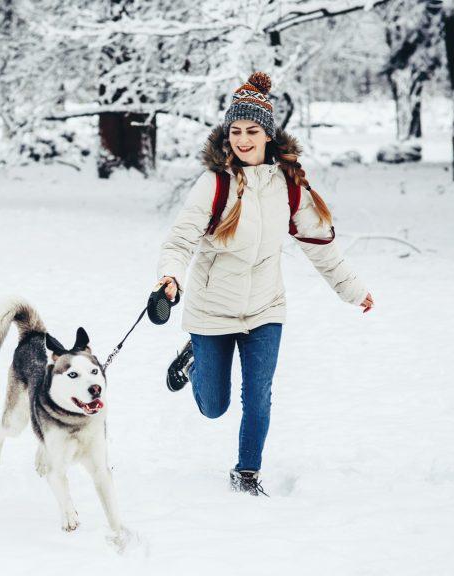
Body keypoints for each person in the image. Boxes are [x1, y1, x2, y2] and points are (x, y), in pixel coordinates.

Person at [155, 72, 373, 497]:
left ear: (268, 136)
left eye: (252, 131)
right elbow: (180, 239)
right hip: (211, 309)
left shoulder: (287, 187)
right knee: (214, 406)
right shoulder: (214, 184)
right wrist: (169, 276)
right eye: (235, 131)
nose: (242, 139)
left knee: (258, 395)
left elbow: (321, 245)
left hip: (264, 309)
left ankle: (247, 472)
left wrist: (353, 289)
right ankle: (196, 361)